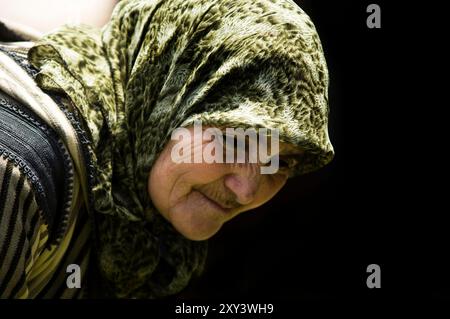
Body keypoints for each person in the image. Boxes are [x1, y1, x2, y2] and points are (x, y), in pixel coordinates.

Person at [0, 0, 334, 298]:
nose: (246, 192)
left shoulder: (129, 203)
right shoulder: (18, 168)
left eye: (279, 161)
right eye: (234, 142)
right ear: (167, 93)